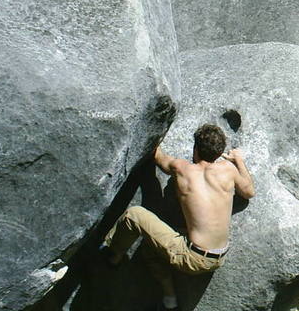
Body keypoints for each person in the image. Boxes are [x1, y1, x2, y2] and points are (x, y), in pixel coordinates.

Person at [102, 124, 255, 311]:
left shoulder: (181, 168)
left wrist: (151, 124)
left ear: (196, 149)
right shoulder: (228, 169)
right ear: (219, 152)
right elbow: (248, 192)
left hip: (192, 257)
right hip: (219, 256)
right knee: (151, 248)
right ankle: (169, 301)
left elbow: (158, 156)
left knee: (134, 215)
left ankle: (112, 255)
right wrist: (238, 159)